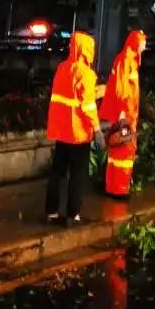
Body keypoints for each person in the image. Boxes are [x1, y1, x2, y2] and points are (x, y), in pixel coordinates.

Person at [45, 31, 103, 224]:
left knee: (57, 173)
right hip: (78, 135)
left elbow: (66, 99)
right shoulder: (86, 73)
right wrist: (97, 130)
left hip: (62, 133)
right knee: (77, 176)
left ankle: (51, 212)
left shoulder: (62, 68)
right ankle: (73, 215)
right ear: (86, 50)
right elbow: (87, 107)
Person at [101, 29, 146, 200]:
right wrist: (122, 115)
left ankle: (113, 188)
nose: (144, 46)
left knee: (118, 149)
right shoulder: (126, 61)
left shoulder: (130, 60)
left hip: (126, 115)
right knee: (125, 150)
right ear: (136, 43)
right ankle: (119, 190)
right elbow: (121, 89)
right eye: (142, 42)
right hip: (125, 115)